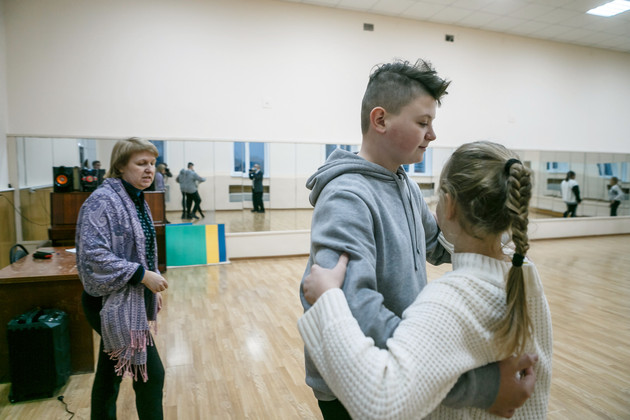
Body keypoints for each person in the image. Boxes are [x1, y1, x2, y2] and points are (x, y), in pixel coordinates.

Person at [299, 59, 537, 419]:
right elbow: (353, 307)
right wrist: (466, 381)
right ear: (380, 120)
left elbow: (438, 245)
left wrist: (495, 242)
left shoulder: (405, 184)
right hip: (354, 383)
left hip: (405, 359)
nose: (432, 134)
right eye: (423, 123)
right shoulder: (346, 197)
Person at [76, 137, 168, 420]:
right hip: (108, 302)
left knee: (110, 372)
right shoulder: (102, 201)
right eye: (141, 163)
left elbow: (140, 249)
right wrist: (142, 276)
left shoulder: (135, 198)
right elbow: (93, 255)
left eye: (152, 163)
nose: (149, 169)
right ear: (119, 167)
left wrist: (151, 285)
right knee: (151, 375)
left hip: (128, 298)